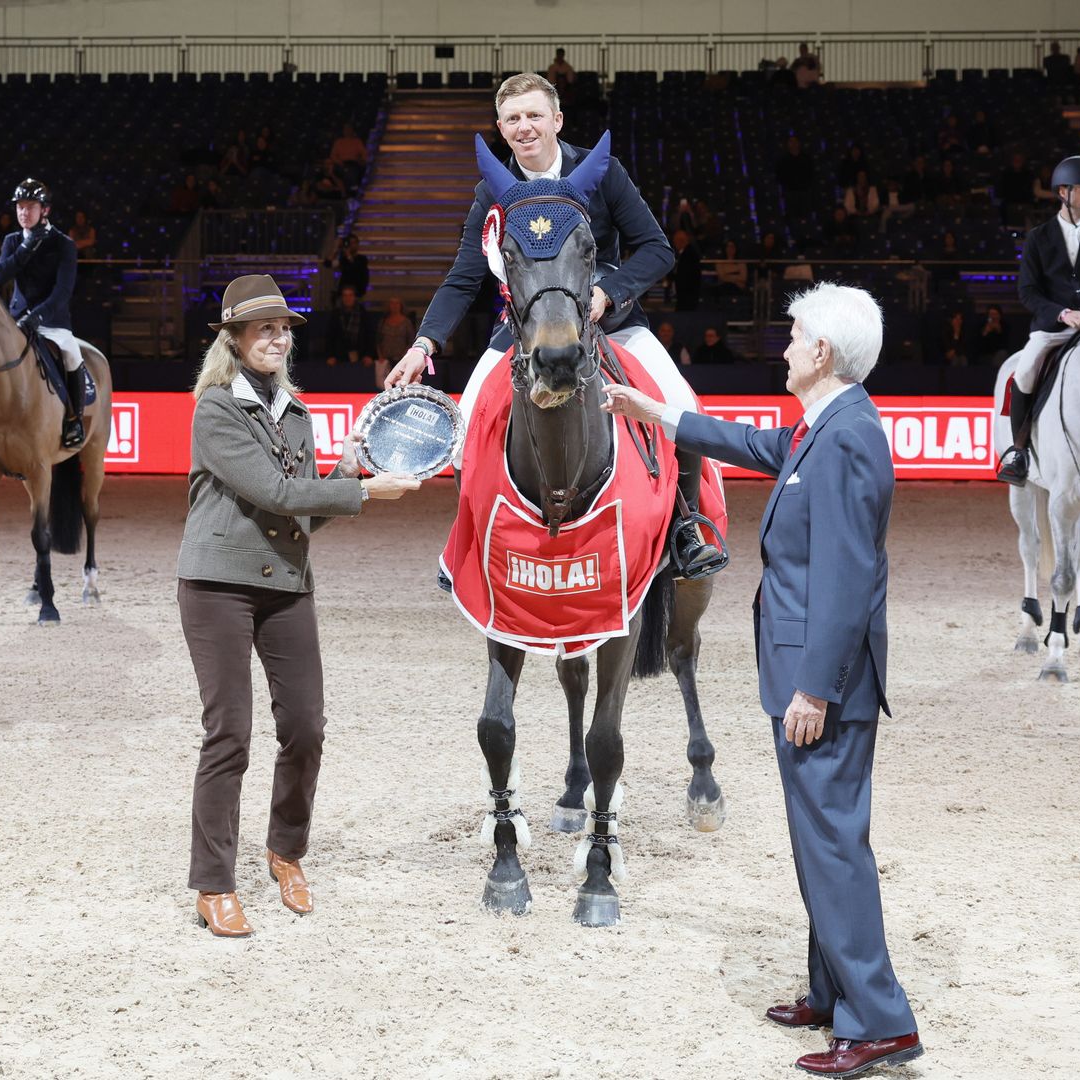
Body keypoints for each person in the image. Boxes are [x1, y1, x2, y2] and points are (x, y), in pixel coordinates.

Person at [601, 282, 922, 1079]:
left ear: (823, 353)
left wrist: (815, 686)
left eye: (792, 337)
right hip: (805, 674)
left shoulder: (849, 437)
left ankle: (880, 1020)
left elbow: (849, 577)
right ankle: (832, 992)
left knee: (835, 845)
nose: (781, 348)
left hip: (823, 685)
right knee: (819, 842)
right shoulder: (825, 427)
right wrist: (658, 415)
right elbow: (750, 444)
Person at [384, 72, 722, 577]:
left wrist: (609, 292)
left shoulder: (601, 170)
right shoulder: (491, 192)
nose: (525, 127)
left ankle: (686, 525)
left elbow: (657, 249)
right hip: (525, 331)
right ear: (500, 128)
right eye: (514, 119)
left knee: (674, 399)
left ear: (557, 120)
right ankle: (467, 540)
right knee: (467, 424)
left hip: (613, 324)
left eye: (535, 115)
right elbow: (463, 278)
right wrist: (422, 344)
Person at [179, 274, 419, 937]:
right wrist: (364, 493)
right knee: (229, 734)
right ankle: (213, 883)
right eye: (263, 329)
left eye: (283, 328)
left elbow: (300, 518)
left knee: (307, 727)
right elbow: (275, 492)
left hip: (286, 582)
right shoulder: (215, 409)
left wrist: (341, 480)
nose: (277, 338)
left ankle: (285, 850)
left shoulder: (299, 414)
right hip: (217, 586)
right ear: (234, 339)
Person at [998, 155, 1080, 485]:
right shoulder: (1038, 238)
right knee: (1024, 374)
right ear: (1063, 193)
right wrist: (1062, 313)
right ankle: (1019, 452)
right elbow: (1027, 291)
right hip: (1052, 330)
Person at [0, 177, 86, 448]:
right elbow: (1, 274)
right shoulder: (12, 241)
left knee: (72, 355)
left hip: (51, 322)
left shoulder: (63, 244)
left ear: (44, 210)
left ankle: (74, 419)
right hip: (16, 322)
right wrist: (27, 247)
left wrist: (36, 317)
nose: (24, 212)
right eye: (20, 207)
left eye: (30, 207)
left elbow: (62, 292)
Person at [324, 285, 374, 368]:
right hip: (339, 356)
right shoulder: (336, 314)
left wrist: (369, 355)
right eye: (345, 295)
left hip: (360, 355)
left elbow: (370, 335)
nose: (348, 298)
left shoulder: (362, 313)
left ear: (354, 297)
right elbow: (330, 336)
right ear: (342, 298)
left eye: (350, 295)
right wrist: (330, 356)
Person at [374, 296, 415, 387]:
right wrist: (380, 356)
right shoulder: (383, 321)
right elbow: (378, 340)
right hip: (385, 360)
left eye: (397, 303)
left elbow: (411, 340)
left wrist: (405, 356)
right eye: (392, 303)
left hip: (401, 359)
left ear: (401, 305)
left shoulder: (407, 322)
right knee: (385, 383)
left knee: (400, 384)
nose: (394, 306)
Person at [672, 228, 703, 311]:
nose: (674, 244)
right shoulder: (687, 253)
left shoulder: (689, 255)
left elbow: (685, 276)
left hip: (687, 296)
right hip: (686, 295)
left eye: (675, 241)